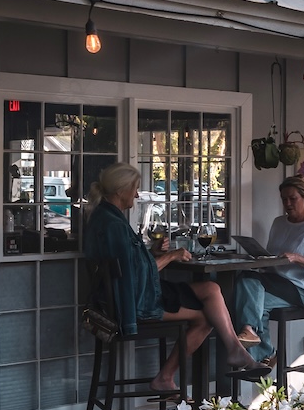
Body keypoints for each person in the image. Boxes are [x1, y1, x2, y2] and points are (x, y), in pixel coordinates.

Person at [83, 163, 268, 393]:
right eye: (135, 188)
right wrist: (171, 256)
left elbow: (129, 266)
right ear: (121, 191)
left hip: (131, 295)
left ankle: (234, 350)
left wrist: (152, 254)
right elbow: (135, 275)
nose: (137, 194)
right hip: (135, 303)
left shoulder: (105, 218)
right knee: (207, 317)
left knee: (211, 289)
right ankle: (169, 375)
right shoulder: (113, 225)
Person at [233, 177, 304, 363]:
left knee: (249, 297)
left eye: (292, 198)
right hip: (273, 281)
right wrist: (260, 257)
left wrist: (297, 258)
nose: (287, 203)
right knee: (246, 285)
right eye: (284, 199)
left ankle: (261, 353)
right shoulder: (279, 223)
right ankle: (262, 351)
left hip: (298, 288)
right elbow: (273, 255)